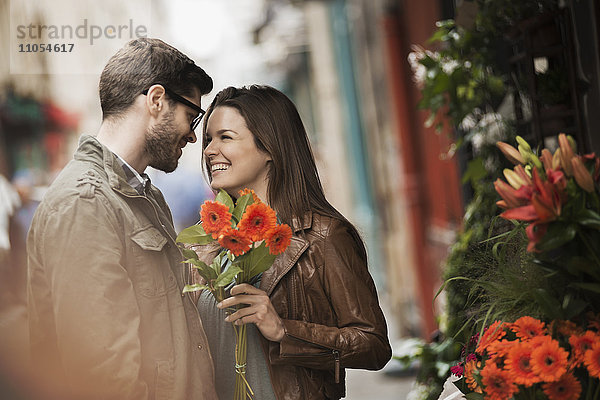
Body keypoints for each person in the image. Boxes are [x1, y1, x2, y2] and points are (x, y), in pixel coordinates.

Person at [26, 38, 218, 400]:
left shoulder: (140, 194)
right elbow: (105, 376)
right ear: (157, 101)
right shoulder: (85, 201)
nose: (193, 135)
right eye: (192, 116)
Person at [195, 85, 392, 399]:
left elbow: (373, 346)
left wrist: (285, 330)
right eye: (208, 139)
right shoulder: (206, 243)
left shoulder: (323, 236)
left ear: (270, 148)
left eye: (225, 137)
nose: (208, 150)